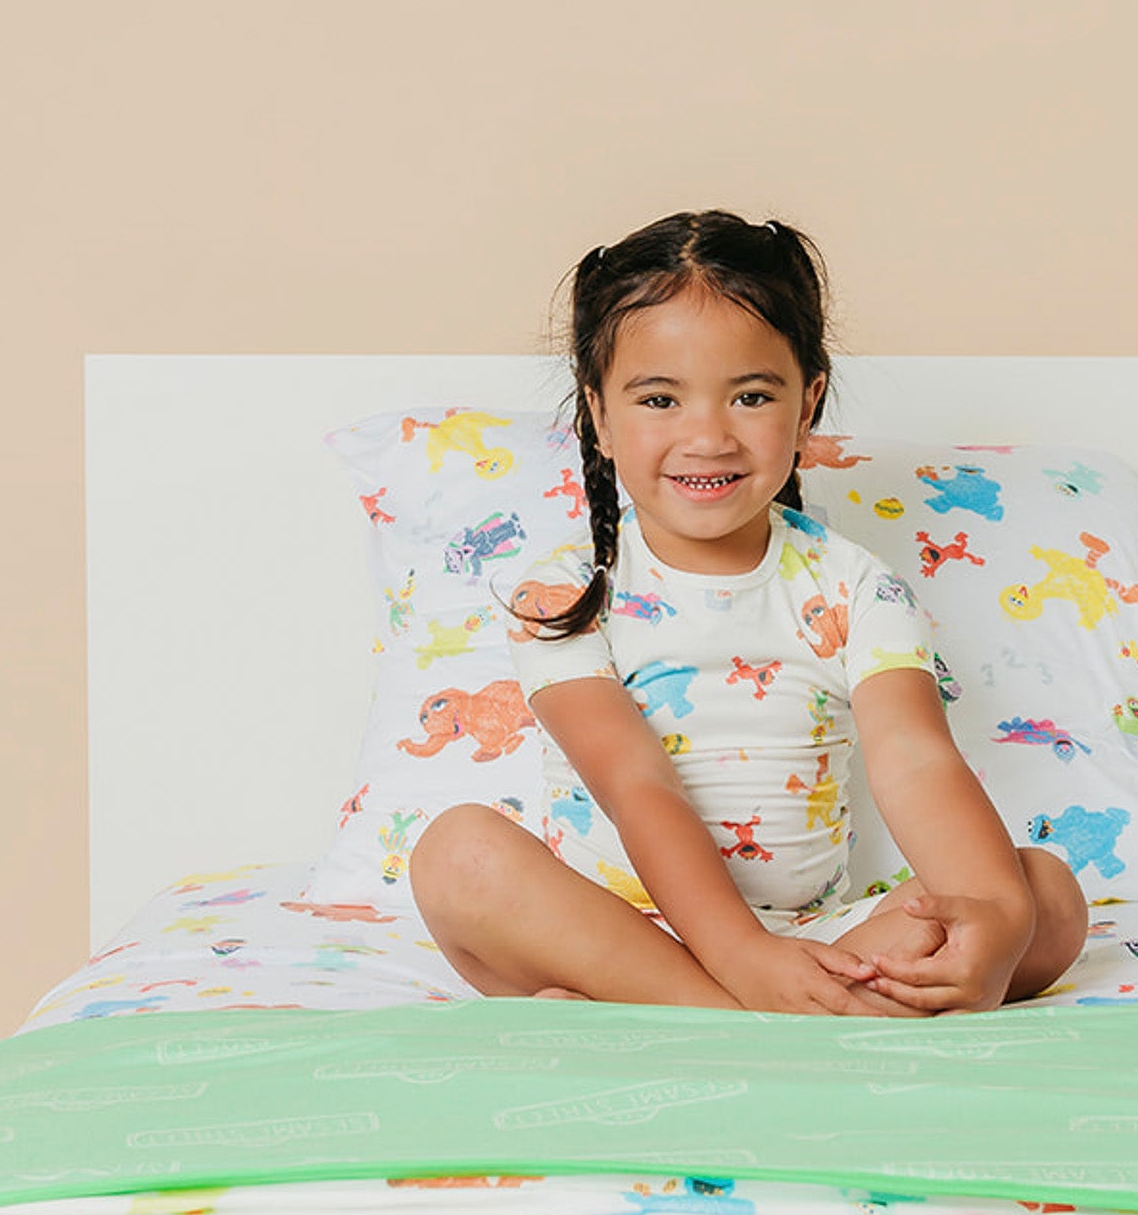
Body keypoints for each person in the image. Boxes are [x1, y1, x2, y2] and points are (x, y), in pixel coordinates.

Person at [409, 209, 1087, 1016]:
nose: (708, 437)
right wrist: (741, 956)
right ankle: (750, 1010)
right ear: (599, 415)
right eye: (660, 399)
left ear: (807, 405)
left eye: (752, 396)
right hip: (619, 933)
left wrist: (994, 922)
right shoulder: (566, 595)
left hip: (815, 936)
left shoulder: (854, 586)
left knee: (1043, 896)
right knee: (459, 857)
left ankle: (726, 1010)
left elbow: (916, 759)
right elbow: (634, 782)